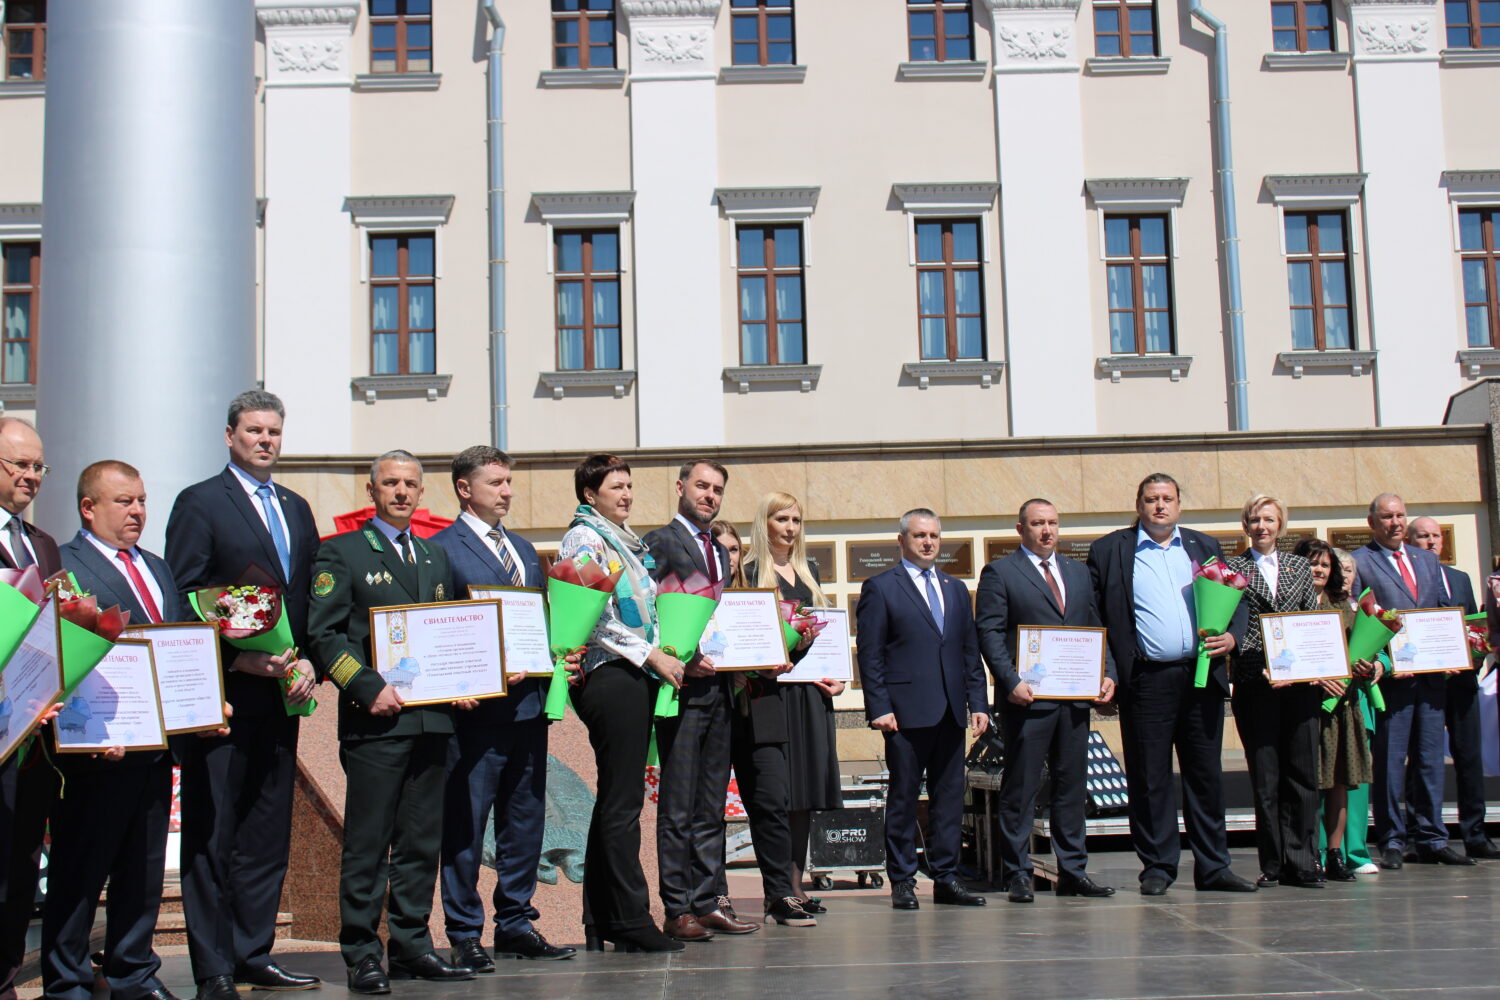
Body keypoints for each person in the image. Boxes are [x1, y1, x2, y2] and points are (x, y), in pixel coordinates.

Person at [164, 391, 321, 1000]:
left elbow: (307, 596)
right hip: (225, 699)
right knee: (215, 832)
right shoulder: (201, 502)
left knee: (266, 832)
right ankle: (215, 968)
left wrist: (306, 656)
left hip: (284, 695)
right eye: (254, 430)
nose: (265, 440)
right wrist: (236, 657)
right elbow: (182, 598)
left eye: (274, 431)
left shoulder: (297, 507)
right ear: (229, 436)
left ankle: (255, 952)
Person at [306, 451, 475, 993]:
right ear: (372, 489)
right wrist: (365, 684)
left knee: (421, 843)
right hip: (375, 724)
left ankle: (411, 944)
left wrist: (464, 683)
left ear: (422, 492)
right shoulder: (342, 553)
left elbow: (448, 633)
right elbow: (325, 635)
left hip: (431, 724)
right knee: (368, 842)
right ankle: (361, 951)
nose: (401, 493)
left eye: (410, 485)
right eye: (391, 484)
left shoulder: (435, 557)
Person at [428, 447, 575, 967]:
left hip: (530, 706)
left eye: (509, 481)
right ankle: (465, 932)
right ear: (465, 489)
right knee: (466, 823)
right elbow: (438, 629)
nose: (507, 491)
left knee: (524, 818)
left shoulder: (523, 549)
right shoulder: (442, 549)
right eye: (496, 482)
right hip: (477, 713)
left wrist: (559, 651)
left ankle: (516, 922)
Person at [46, 461, 183, 1000]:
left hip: (153, 747)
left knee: (142, 870)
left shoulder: (157, 567)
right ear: (89, 508)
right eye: (124, 501)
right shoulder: (65, 566)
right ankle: (69, 979)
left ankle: (132, 972)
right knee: (81, 870)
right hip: (95, 748)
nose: (137, 511)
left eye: (142, 501)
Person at [1087, 473, 1253, 895]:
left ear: (1179, 504)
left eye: (1167, 499)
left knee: (1204, 775)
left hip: (1200, 678)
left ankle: (1214, 866)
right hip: (1146, 679)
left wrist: (1232, 637)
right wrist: (1107, 671)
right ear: (1139, 504)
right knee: (1150, 776)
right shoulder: (1111, 550)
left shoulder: (1203, 546)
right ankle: (1158, 866)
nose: (1160, 506)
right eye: (1151, 499)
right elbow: (1096, 618)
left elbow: (1237, 601)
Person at [561, 454, 687, 954]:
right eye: (616, 486)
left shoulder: (619, 540)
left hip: (630, 675)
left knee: (617, 799)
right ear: (590, 494)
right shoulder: (584, 539)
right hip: (610, 676)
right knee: (623, 803)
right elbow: (592, 619)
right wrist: (651, 654)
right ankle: (631, 919)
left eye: (630, 485)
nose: (627, 494)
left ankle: (602, 918)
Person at [975, 498, 1116, 903]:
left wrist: (1107, 673)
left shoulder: (1077, 572)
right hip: (1027, 699)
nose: (1047, 531)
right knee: (1022, 785)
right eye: (1038, 524)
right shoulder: (1000, 572)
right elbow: (990, 632)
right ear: (1021, 529)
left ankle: (1072, 870)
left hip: (1073, 699)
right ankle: (1017, 872)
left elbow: (1094, 626)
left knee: (1072, 785)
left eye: (1053, 523)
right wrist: (1010, 680)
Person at [642, 460, 758, 942]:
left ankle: (708, 900)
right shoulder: (660, 542)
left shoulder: (718, 549)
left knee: (711, 802)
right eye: (701, 486)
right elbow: (645, 610)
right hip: (682, 688)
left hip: (720, 691)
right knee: (679, 804)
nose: (709, 496)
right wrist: (675, 659)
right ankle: (676, 907)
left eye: (717, 490)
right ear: (680, 487)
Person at [857, 508, 989, 910]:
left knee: (949, 798)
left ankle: (946, 877)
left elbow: (969, 651)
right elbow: (871, 653)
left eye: (934, 535)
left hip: (950, 710)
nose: (928, 542)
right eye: (919, 536)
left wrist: (978, 703)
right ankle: (902, 880)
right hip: (903, 714)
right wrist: (878, 705)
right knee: (904, 798)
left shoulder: (954, 588)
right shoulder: (881, 587)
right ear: (902, 541)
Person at [1353, 494, 1471, 868]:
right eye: (1387, 517)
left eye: (1400, 515)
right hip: (1392, 681)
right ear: (1372, 522)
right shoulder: (1361, 562)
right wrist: (1384, 662)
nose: (1395, 522)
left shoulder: (1426, 559)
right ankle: (1391, 837)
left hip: (1432, 680)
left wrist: (1454, 651)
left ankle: (1432, 837)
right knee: (1389, 761)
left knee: (1430, 759)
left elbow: (1438, 612)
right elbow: (1362, 622)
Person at [741, 492, 835, 921]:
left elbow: (821, 630)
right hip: (770, 694)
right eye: (782, 518)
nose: (790, 528)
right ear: (766, 522)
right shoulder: (746, 571)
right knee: (777, 795)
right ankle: (778, 889)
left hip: (810, 693)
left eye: (796, 520)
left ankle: (795, 884)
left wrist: (831, 673)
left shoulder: (808, 571)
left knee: (805, 795)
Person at [1226, 495, 1324, 888]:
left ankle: (1303, 862)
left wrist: (1302, 665)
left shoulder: (1301, 566)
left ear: (1281, 524)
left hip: (1299, 684)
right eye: (1254, 519)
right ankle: (1273, 862)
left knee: (1302, 773)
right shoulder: (1232, 568)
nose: (1262, 526)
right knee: (1265, 776)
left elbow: (1309, 619)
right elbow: (1235, 620)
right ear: (1245, 525)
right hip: (1255, 679)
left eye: (1269, 519)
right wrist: (1268, 663)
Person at [0, 416, 63, 1000]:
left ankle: (6, 972)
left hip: (37, 737)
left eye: (38, 466)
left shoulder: (42, 543)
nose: (31, 476)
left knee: (22, 862)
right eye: (17, 464)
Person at [1406, 516, 1499, 860]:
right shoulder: (1409, 583)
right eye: (1423, 537)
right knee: (1422, 759)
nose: (1430, 542)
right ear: (1410, 542)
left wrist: (1474, 657)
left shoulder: (1460, 579)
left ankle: (1476, 833)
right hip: (1423, 682)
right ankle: (1419, 834)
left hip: (1461, 680)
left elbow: (1476, 626)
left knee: (1469, 756)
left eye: (1435, 536)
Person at [1295, 538, 1376, 882]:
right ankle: (1307, 853)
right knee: (1307, 782)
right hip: (1304, 705)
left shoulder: (1345, 606)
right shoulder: (1290, 603)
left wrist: (1365, 666)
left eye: (1325, 564)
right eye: (1313, 562)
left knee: (1340, 781)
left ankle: (1334, 854)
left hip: (1342, 705)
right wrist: (1314, 678)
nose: (1319, 569)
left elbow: (1365, 649)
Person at [1332, 547, 1381, 875]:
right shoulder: (1321, 606)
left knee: (1358, 780)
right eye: (1340, 569)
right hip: (1329, 699)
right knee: (1329, 781)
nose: (1345, 575)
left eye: (1349, 569)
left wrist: (1379, 664)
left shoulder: (1365, 609)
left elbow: (1387, 649)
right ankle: (1326, 849)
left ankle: (1358, 852)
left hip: (1359, 701)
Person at [710, 520, 744, 585]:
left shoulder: (753, 590)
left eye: (733, 550)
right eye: (720, 550)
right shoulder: (694, 591)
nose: (728, 557)